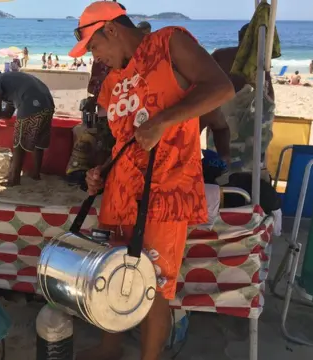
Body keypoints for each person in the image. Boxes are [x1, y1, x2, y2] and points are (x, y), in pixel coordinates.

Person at [69, 3, 234, 359]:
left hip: (165, 192)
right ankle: (110, 348)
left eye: (93, 47)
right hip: (119, 193)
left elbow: (221, 88)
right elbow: (119, 139)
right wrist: (101, 171)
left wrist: (163, 122)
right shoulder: (111, 82)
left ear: (110, 29)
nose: (94, 57)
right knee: (109, 274)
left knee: (153, 284)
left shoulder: (169, 43)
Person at [204, 23, 276, 176]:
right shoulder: (260, 62)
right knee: (249, 177)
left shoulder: (219, 56)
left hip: (219, 131)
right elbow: (269, 103)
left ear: (239, 35)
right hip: (250, 141)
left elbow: (204, 89)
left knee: (218, 175)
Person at [0, 69, 55, 186]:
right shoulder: (11, 82)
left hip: (30, 104)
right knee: (38, 141)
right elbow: (7, 114)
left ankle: (14, 179)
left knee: (19, 143)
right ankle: (36, 174)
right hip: (48, 104)